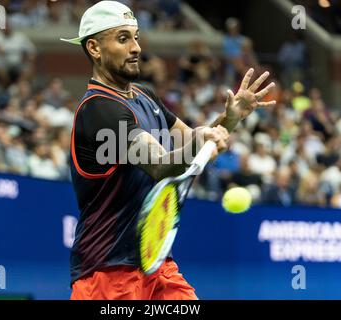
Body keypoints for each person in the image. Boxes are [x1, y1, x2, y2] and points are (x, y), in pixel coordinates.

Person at [61, 1, 275, 300]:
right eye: (123, 39)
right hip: (108, 274)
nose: (136, 47)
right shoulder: (99, 110)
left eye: (136, 37)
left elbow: (190, 143)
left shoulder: (145, 95)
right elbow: (161, 164)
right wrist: (199, 143)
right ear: (95, 48)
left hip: (157, 266)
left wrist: (230, 119)